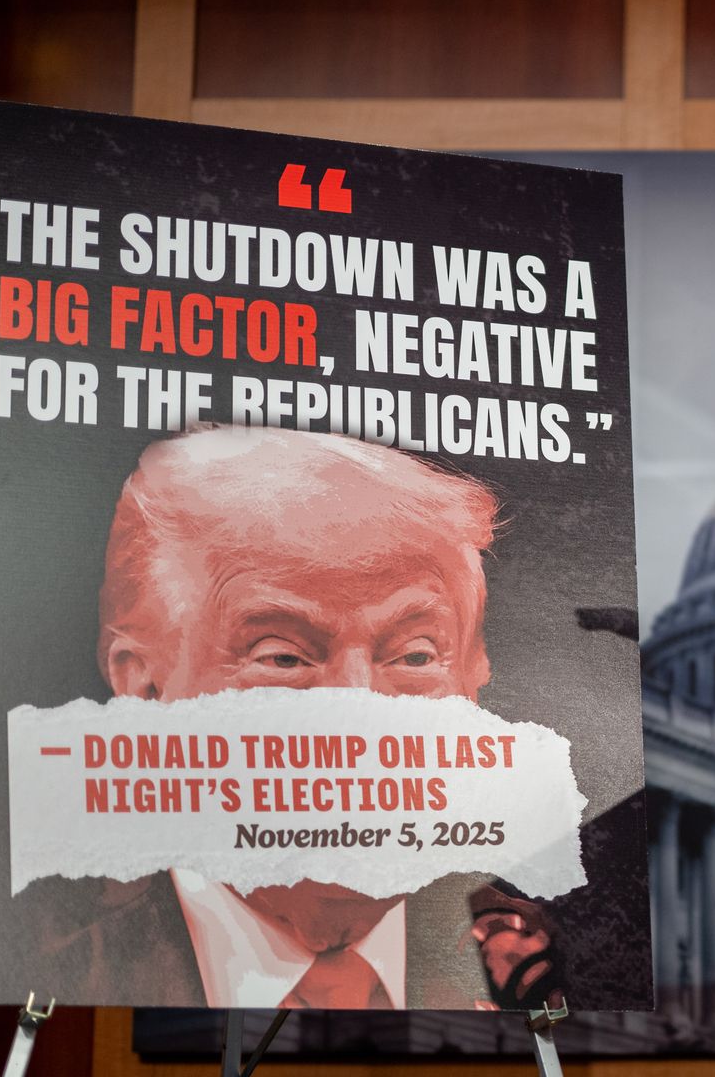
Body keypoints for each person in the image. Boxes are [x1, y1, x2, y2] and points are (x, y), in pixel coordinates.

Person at [33, 425, 561, 1010]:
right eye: (283, 657)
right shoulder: (36, 970)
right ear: (144, 694)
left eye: (414, 657)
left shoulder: (546, 967)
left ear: (473, 683)